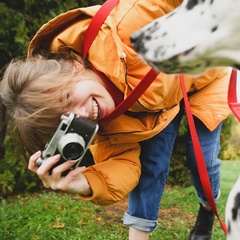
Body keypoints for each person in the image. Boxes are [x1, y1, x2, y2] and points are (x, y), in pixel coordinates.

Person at [0, 0, 231, 239]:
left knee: (202, 162)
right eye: (66, 118)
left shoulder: (129, 21)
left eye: (68, 97)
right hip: (162, 107)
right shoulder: (99, 124)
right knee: (152, 162)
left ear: (71, 66)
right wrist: (85, 182)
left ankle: (206, 210)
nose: (82, 115)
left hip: (206, 80)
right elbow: (126, 165)